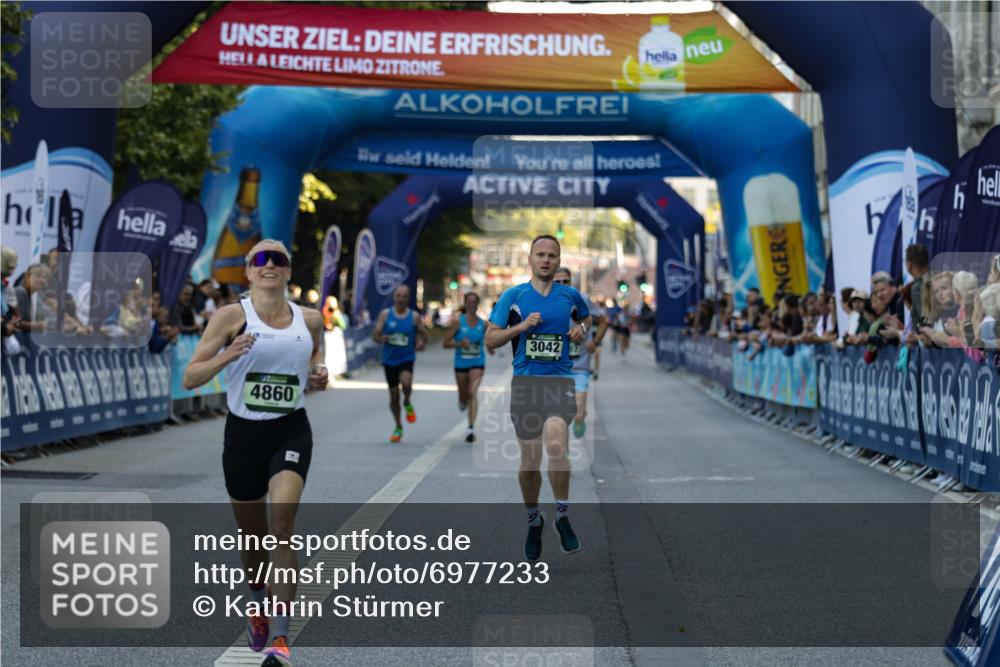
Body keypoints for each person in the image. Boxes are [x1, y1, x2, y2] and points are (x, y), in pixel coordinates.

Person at [183, 240, 326, 667]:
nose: (269, 266)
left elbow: (314, 366)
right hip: (243, 435)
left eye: (277, 260)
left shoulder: (311, 319)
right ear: (247, 272)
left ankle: (281, 638)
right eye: (260, 260)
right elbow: (191, 376)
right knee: (253, 537)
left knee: (282, 524)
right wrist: (227, 354)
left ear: (287, 271)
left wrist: (318, 376)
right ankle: (257, 600)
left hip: (291, 432)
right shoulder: (231, 316)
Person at [485, 235, 592, 561]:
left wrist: (581, 330)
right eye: (540, 254)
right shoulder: (514, 297)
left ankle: (561, 514)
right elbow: (490, 338)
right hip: (526, 386)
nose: (546, 260)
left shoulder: (570, 296)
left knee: (558, 445)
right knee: (530, 464)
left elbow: (586, 318)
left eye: (552, 255)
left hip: (559, 383)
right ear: (530, 259)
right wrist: (520, 329)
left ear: (558, 261)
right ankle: (534, 519)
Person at [554, 268, 608, 439]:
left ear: (571, 282)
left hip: (580, 365)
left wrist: (595, 342)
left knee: (577, 413)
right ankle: (564, 452)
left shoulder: (582, 299)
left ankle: (580, 418)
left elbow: (604, 321)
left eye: (566, 281)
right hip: (557, 367)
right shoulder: (547, 302)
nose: (562, 285)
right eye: (558, 282)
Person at [373, 284, 428, 443]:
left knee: (406, 382)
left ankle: (408, 400)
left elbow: (424, 335)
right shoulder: (385, 315)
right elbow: (375, 335)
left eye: (404, 296)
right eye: (398, 296)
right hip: (389, 360)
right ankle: (398, 426)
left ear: (408, 298)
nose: (401, 299)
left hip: (406, 358)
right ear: (394, 297)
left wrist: (421, 342)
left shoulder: (414, 317)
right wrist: (381, 338)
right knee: (394, 396)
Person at [443, 291, 492, 443]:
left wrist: (490, 347)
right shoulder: (458, 322)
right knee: (464, 395)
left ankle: (471, 428)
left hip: (478, 362)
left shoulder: (483, 324)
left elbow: (490, 339)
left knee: (472, 393)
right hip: (461, 363)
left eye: (474, 302)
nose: (471, 305)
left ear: (477, 305)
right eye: (469, 302)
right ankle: (462, 400)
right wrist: (459, 344)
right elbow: (445, 343)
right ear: (465, 304)